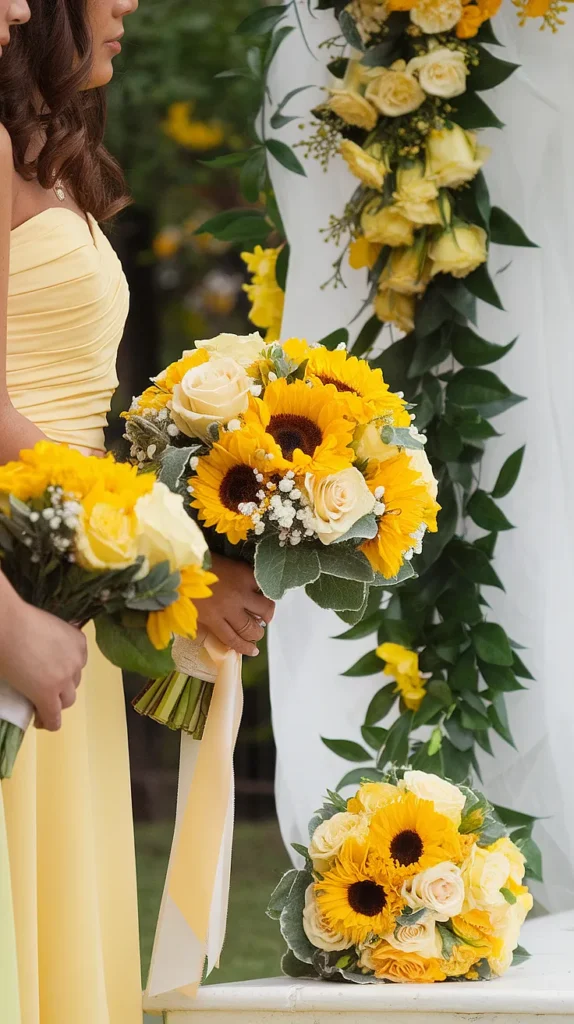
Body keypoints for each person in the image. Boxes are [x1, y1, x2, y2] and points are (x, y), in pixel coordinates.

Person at [0, 2, 274, 1022]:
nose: (127, 7)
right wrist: (163, 557)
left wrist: (169, 546)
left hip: (61, 569)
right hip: (22, 576)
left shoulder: (49, 158)